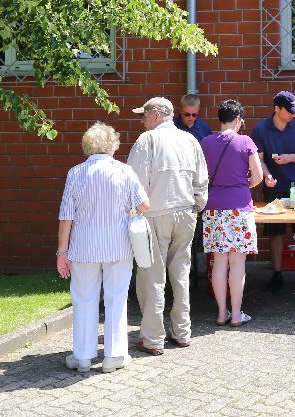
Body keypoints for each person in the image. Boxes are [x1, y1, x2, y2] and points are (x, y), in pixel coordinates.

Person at [57, 122, 149, 373]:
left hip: (84, 247)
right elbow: (144, 205)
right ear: (112, 145)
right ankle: (114, 356)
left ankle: (83, 357)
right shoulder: (125, 171)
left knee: (83, 299)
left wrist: (61, 252)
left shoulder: (75, 173)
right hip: (118, 245)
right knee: (116, 298)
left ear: (88, 146)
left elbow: (66, 216)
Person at [127, 97, 208, 355]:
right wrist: (195, 206)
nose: (142, 121)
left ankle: (152, 338)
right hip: (185, 212)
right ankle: (182, 332)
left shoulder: (146, 141)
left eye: (144, 115)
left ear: (156, 115)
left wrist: (134, 214)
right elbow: (202, 181)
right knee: (181, 273)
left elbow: (134, 183)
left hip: (155, 214)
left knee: (152, 276)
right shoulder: (190, 140)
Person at [201, 100, 263, 327]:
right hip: (239, 206)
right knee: (237, 263)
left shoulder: (205, 142)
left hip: (214, 207)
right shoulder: (245, 141)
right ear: (237, 120)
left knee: (218, 262)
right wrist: (241, 182)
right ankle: (236, 315)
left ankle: (221, 313)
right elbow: (257, 177)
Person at [251, 91, 295, 292]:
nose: (293, 115)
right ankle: (277, 274)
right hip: (274, 186)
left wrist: (289, 158)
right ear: (277, 109)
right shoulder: (261, 129)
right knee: (275, 232)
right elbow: (259, 159)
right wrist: (267, 175)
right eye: (289, 111)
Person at [173, 93, 212, 277]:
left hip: (197, 182)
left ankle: (198, 268)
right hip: (177, 183)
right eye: (186, 114)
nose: (190, 118)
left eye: (194, 115)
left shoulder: (203, 128)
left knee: (199, 229)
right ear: (180, 112)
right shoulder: (172, 127)